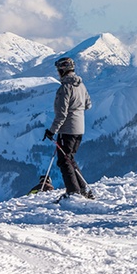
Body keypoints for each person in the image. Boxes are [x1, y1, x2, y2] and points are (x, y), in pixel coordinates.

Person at [43, 57, 94, 200]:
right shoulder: (81, 85)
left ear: (62, 70)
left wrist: (52, 130)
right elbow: (88, 104)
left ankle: (73, 192)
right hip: (79, 129)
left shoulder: (65, 88)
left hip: (67, 129)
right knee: (69, 158)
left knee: (64, 161)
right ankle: (82, 189)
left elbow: (62, 114)